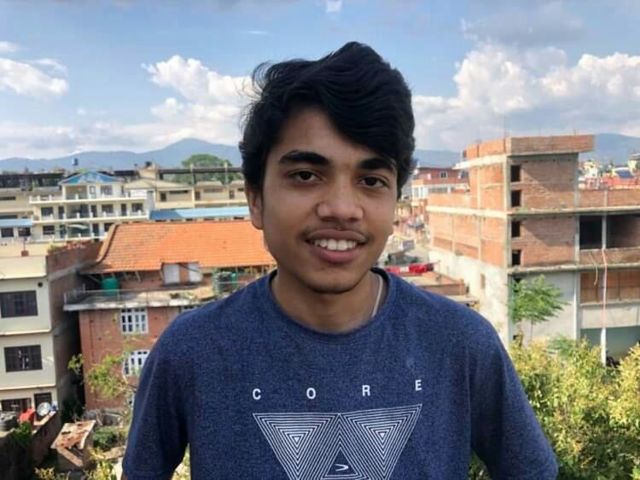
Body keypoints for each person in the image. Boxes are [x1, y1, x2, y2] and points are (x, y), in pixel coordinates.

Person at [123, 42, 558, 479]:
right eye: (306, 175)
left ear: (396, 202)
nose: (342, 209)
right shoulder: (193, 351)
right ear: (255, 198)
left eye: (371, 180)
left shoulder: (461, 344)